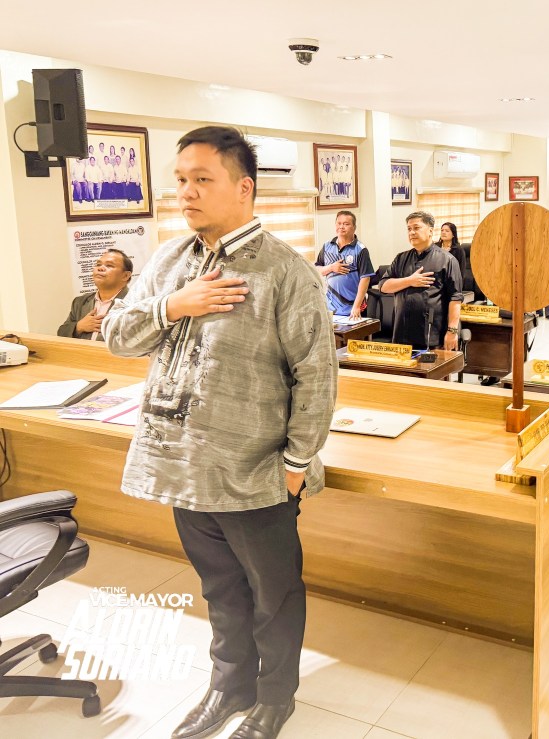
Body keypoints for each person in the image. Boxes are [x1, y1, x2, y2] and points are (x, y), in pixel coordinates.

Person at [103, 126, 337, 739]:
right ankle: (229, 685)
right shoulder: (170, 260)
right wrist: (174, 305)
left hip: (256, 470)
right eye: (181, 180)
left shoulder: (285, 271)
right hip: (184, 467)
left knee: (272, 594)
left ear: (244, 188)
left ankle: (274, 699)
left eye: (202, 179)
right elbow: (118, 336)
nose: (186, 192)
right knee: (220, 589)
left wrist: (296, 463)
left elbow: (316, 375)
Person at [379, 210, 463, 349]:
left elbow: (455, 298)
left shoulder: (447, 260)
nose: (412, 232)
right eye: (409, 229)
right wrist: (409, 281)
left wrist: (452, 331)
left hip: (432, 335)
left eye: (416, 228)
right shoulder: (401, 258)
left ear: (430, 231)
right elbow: (383, 286)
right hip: (401, 334)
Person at [57, 249, 133, 340]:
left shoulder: (135, 304)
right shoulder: (80, 302)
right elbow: (61, 333)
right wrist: (78, 327)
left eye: (109, 265)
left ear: (125, 276)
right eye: (98, 264)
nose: (100, 268)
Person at [315, 210, 374, 318]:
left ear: (354, 227)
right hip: (330, 309)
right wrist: (331, 267)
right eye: (339, 223)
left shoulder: (361, 250)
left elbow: (365, 279)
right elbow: (316, 270)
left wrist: (356, 306)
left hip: (352, 309)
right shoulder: (327, 246)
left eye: (346, 224)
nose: (341, 227)